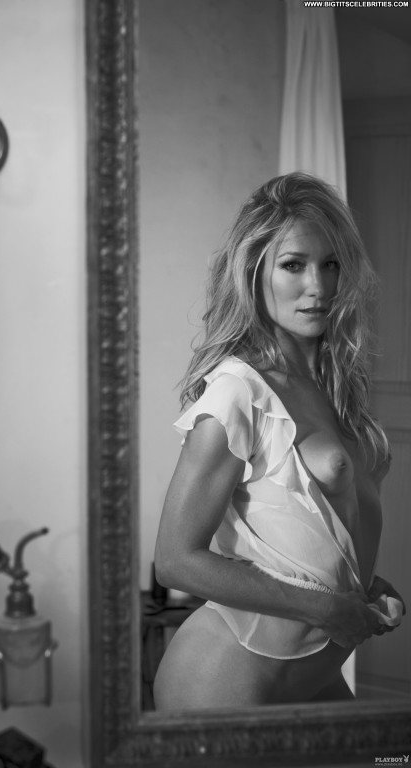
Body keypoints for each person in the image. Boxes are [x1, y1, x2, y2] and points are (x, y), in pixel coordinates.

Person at [153, 172, 405, 711]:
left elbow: (311, 538)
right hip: (225, 679)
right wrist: (327, 608)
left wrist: (362, 589)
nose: (319, 286)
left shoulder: (335, 388)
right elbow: (175, 561)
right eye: (293, 265)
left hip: (312, 678)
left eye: (331, 264)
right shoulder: (238, 392)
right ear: (254, 273)